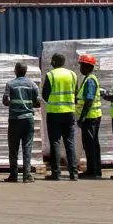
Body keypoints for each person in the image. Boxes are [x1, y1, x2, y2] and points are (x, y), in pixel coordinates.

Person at [42, 52, 79, 181]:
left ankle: (56, 172)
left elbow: (45, 94)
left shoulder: (51, 75)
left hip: (54, 113)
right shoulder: (72, 75)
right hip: (69, 112)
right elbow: (76, 93)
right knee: (70, 142)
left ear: (54, 62)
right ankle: (73, 173)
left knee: (55, 142)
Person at [3, 62, 40, 182]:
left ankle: (13, 175)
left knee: (13, 148)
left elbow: (5, 100)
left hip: (14, 120)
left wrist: (12, 102)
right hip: (28, 120)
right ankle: (26, 175)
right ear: (26, 71)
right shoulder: (32, 84)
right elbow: (38, 103)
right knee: (27, 147)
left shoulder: (10, 84)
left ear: (15, 71)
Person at [76, 53, 102, 178]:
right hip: (92, 117)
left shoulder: (90, 80)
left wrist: (82, 117)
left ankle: (94, 171)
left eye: (81, 65)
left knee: (90, 145)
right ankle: (94, 170)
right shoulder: (88, 79)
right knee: (91, 144)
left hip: (90, 117)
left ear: (87, 67)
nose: (80, 68)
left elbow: (89, 100)